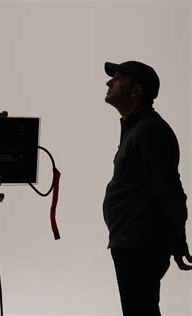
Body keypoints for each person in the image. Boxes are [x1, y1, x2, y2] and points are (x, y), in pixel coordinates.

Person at [102, 60, 192, 316]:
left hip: (140, 245)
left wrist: (178, 240)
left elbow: (170, 191)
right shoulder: (136, 129)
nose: (109, 82)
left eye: (117, 78)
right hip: (131, 242)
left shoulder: (150, 130)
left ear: (136, 90)